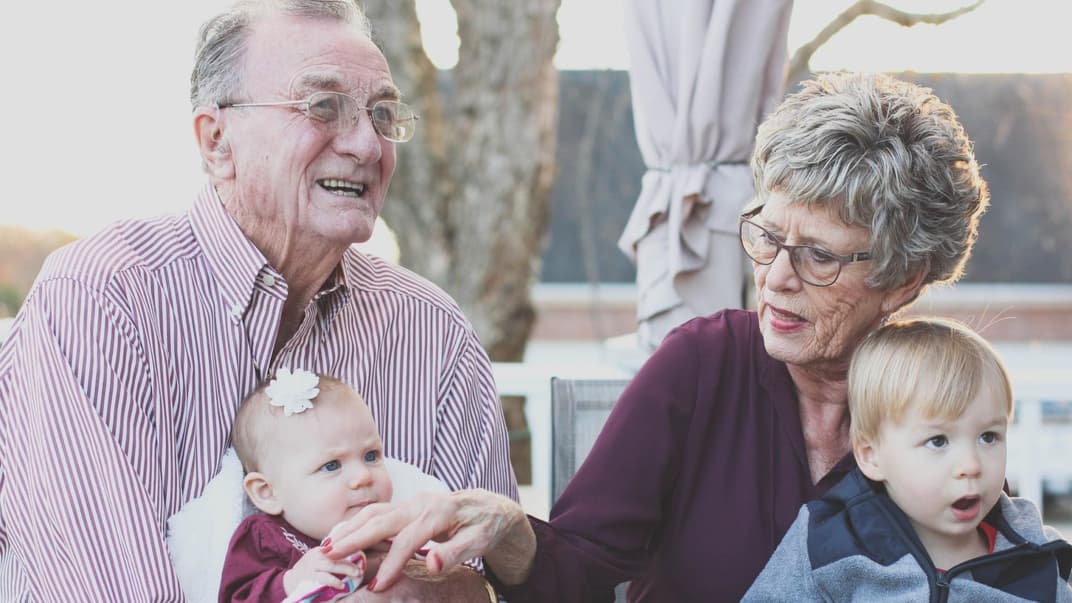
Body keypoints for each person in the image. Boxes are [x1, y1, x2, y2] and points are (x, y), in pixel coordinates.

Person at [320, 71, 995, 601]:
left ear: (904, 279)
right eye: (766, 235)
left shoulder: (947, 401)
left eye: (818, 255)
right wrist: (511, 530)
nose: (776, 278)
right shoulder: (702, 366)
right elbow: (578, 572)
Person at [0, 1, 516, 599]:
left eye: (382, 113)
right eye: (322, 106)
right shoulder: (102, 300)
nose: (367, 145)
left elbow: (483, 585)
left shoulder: (432, 331)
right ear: (217, 140)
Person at [744, 318, 1072, 601]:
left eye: (988, 437)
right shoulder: (830, 543)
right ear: (871, 456)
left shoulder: (1036, 559)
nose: (971, 465)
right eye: (938, 441)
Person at [219, 369, 389, 601]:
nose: (363, 476)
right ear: (267, 493)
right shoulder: (265, 537)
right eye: (331, 466)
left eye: (371, 456)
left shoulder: (391, 529)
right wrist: (291, 582)